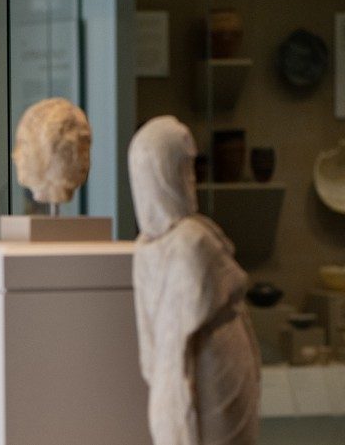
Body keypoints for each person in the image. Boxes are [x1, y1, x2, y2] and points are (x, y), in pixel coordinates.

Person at [129, 116, 260, 445]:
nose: (191, 180)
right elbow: (234, 281)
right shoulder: (190, 241)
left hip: (208, 365)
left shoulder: (149, 248)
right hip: (209, 369)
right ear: (161, 175)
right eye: (183, 170)